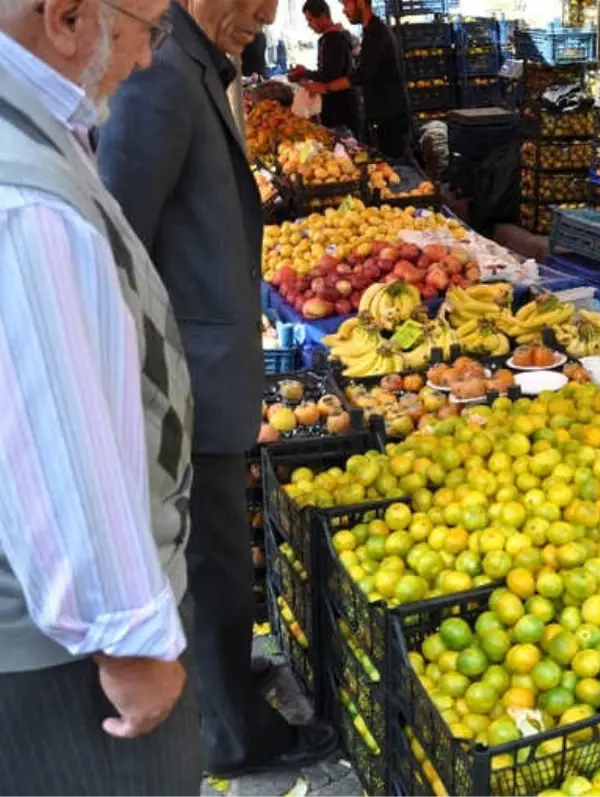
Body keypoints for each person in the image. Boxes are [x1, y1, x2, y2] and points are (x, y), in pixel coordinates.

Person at [96, 0, 337, 778]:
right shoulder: (160, 74)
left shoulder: (193, 63)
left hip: (209, 367)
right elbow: (120, 242)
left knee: (222, 559)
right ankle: (233, 735)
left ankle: (231, 684)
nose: (266, 16)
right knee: (211, 565)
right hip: (186, 380)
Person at [0, 0, 202, 793]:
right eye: (148, 27)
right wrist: (130, 642)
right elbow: (61, 434)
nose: (149, 58)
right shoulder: (25, 205)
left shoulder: (37, 130)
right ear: (68, 16)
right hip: (70, 665)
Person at [307, 0, 408, 156]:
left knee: (394, 166)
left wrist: (325, 87)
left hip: (390, 115)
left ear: (360, 2)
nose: (344, 11)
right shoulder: (369, 31)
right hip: (382, 112)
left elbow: (361, 75)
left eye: (346, 4)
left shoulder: (376, 33)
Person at [290, 0, 357, 135]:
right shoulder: (339, 35)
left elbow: (330, 75)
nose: (309, 25)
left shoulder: (333, 39)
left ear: (323, 16)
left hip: (339, 106)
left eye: (310, 20)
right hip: (345, 102)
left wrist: (305, 73)